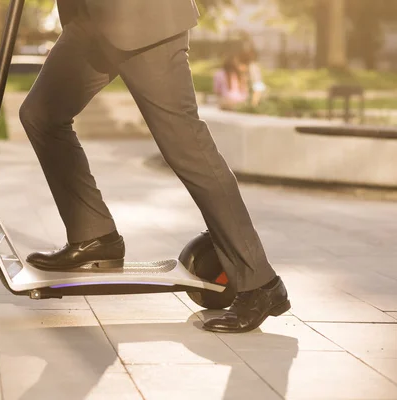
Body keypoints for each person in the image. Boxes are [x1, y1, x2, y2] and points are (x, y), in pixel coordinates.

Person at [19, 0, 290, 333]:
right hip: (92, 17)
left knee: (185, 145)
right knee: (41, 115)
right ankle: (94, 237)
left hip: (143, 15)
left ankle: (260, 283)